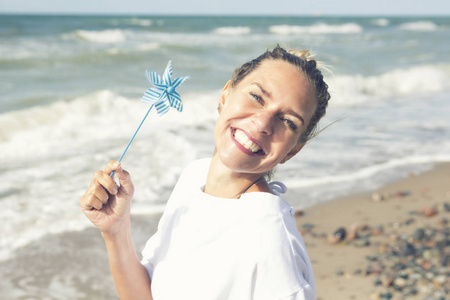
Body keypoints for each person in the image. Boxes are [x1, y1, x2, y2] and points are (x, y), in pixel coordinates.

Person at [80, 45, 330, 300]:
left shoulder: (270, 240)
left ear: (293, 151)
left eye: (288, 122)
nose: (262, 123)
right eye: (256, 97)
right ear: (225, 96)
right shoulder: (194, 176)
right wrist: (115, 231)